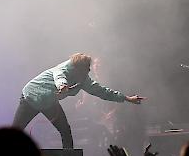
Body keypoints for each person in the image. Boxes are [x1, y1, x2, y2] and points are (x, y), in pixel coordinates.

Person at [13, 53, 145, 149]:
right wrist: (62, 86)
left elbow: (102, 91)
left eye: (89, 67)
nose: (89, 70)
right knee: (15, 131)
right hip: (31, 96)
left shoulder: (83, 79)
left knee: (65, 130)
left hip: (49, 103)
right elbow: (59, 77)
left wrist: (127, 98)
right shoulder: (63, 68)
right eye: (87, 67)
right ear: (77, 68)